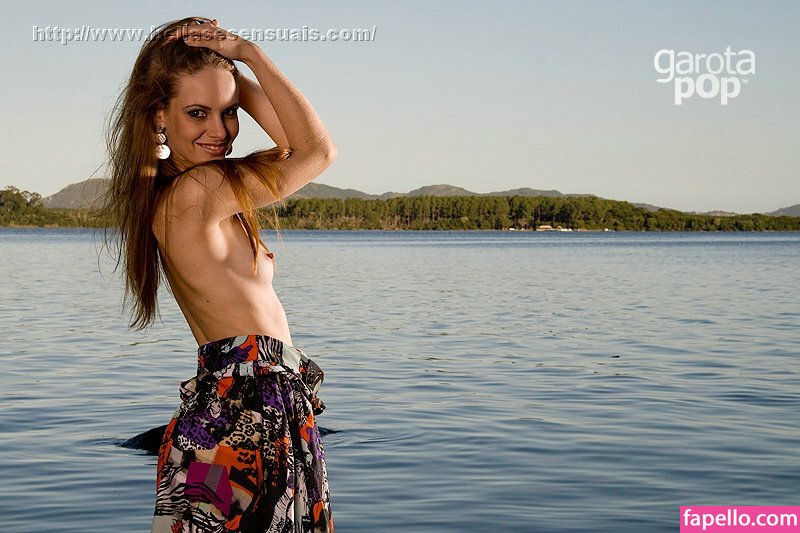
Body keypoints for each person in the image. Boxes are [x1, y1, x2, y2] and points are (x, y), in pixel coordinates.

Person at [101, 16, 336, 532]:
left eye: (229, 112)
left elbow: (296, 146)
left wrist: (226, 75)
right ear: (158, 116)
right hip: (247, 414)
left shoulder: (192, 193)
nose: (220, 130)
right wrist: (247, 55)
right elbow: (315, 150)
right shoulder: (199, 191)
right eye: (197, 113)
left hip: (242, 408)